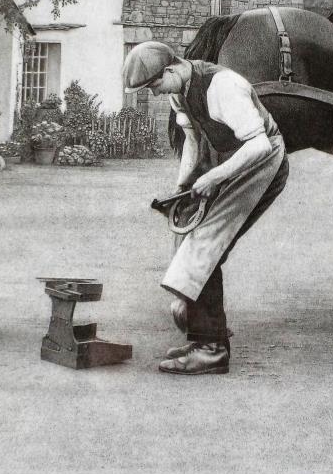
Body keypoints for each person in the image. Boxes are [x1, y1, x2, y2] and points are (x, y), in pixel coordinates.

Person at [123, 41, 289, 375]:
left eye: (154, 85)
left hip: (262, 164)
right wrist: (182, 187)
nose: (154, 93)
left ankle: (212, 349)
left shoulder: (223, 86)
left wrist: (213, 177)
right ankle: (202, 334)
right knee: (195, 236)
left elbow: (257, 145)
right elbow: (194, 140)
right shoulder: (179, 91)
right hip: (230, 162)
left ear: (171, 69)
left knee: (207, 243)